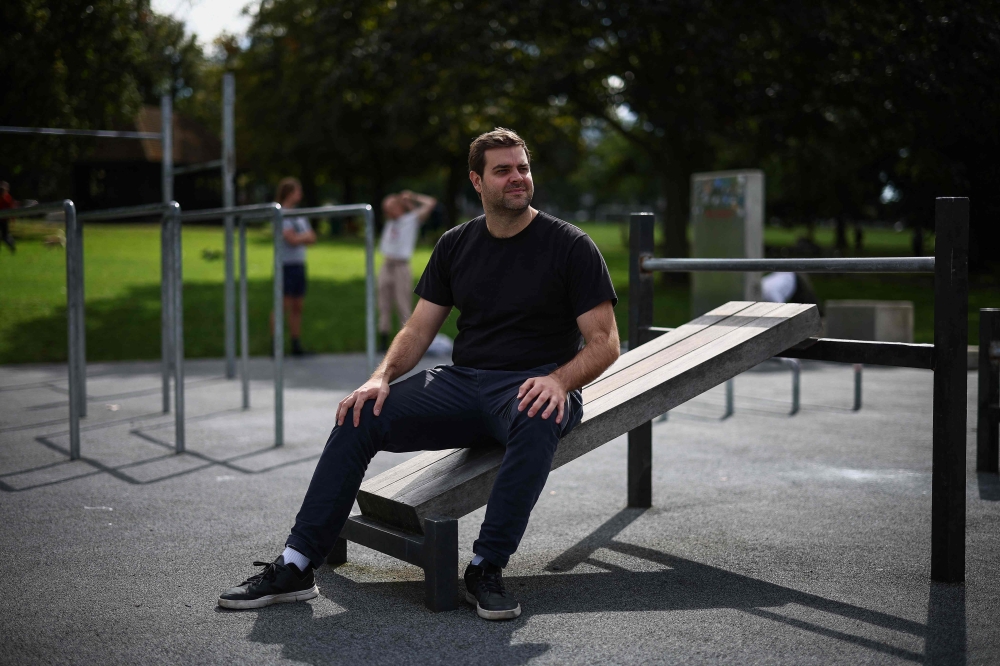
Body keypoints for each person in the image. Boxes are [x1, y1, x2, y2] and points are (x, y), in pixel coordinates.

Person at [219, 128, 620, 621]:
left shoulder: (569, 246)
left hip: (534, 383)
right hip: (465, 381)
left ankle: (485, 567)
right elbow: (418, 328)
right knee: (360, 414)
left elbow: (605, 343)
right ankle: (298, 563)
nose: (518, 178)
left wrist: (559, 381)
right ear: (477, 180)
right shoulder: (456, 244)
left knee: (537, 416)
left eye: (523, 167)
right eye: (503, 170)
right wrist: (379, 377)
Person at [377, 190, 437, 352]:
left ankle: (405, 342)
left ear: (399, 207)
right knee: (383, 302)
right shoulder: (390, 222)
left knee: (402, 302)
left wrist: (412, 198)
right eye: (385, 208)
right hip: (387, 264)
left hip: (401, 266)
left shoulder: (411, 219)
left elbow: (431, 203)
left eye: (390, 208)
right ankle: (383, 339)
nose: (387, 212)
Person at [271, 177, 316, 356]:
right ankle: (275, 345)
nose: (300, 194)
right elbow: (291, 239)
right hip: (285, 265)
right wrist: (301, 238)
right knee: (283, 305)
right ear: (289, 192)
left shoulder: (299, 214)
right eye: (298, 191)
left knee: (298, 306)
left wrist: (300, 238)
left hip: (299, 265)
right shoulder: (280, 213)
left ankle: (295, 344)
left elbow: (312, 238)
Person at [0, 182, 18, 254]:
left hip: (4, 219)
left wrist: (13, 218)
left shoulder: (8, 198)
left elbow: (11, 208)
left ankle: (12, 245)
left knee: (5, 236)